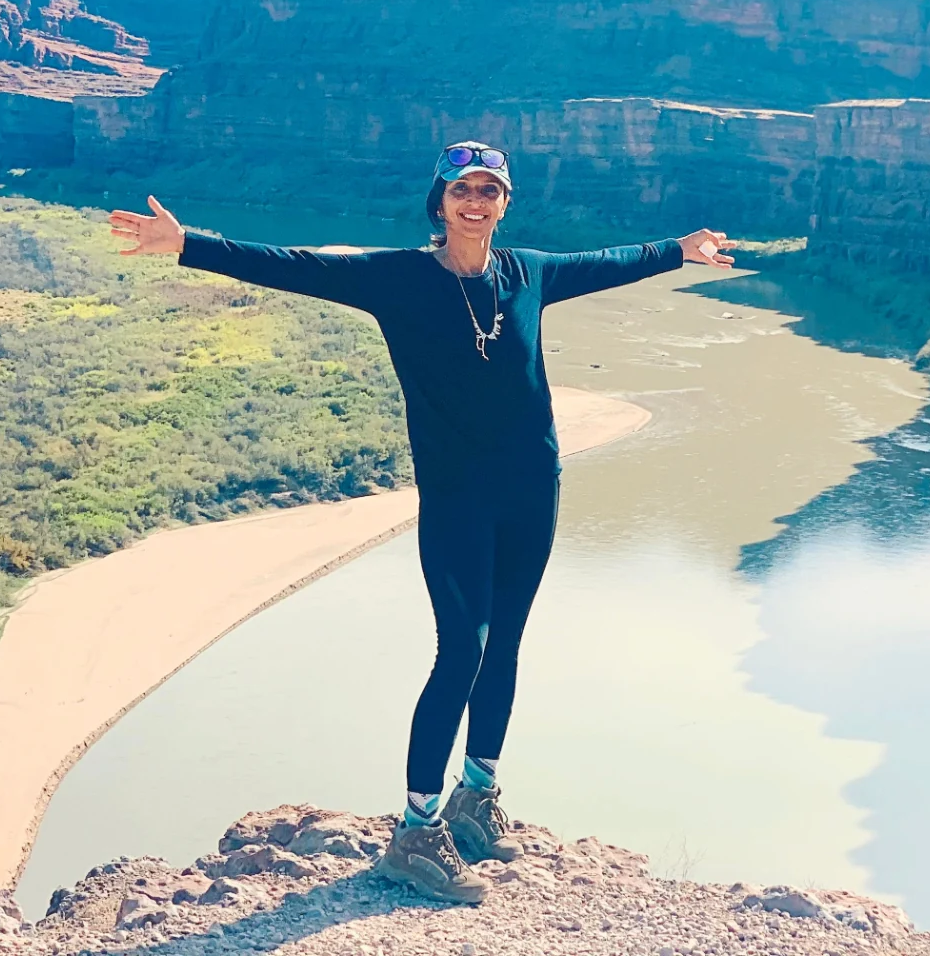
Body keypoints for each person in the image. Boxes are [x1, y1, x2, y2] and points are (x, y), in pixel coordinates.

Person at [110, 141, 733, 905]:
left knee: (505, 643)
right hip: (458, 499)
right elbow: (295, 264)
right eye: (461, 189)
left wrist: (681, 250)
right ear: (438, 202)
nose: (475, 201)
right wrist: (188, 246)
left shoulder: (529, 272)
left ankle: (478, 794)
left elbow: (612, 259)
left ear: (505, 203)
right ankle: (415, 831)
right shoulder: (398, 278)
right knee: (461, 651)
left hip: (535, 488)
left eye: (489, 190)